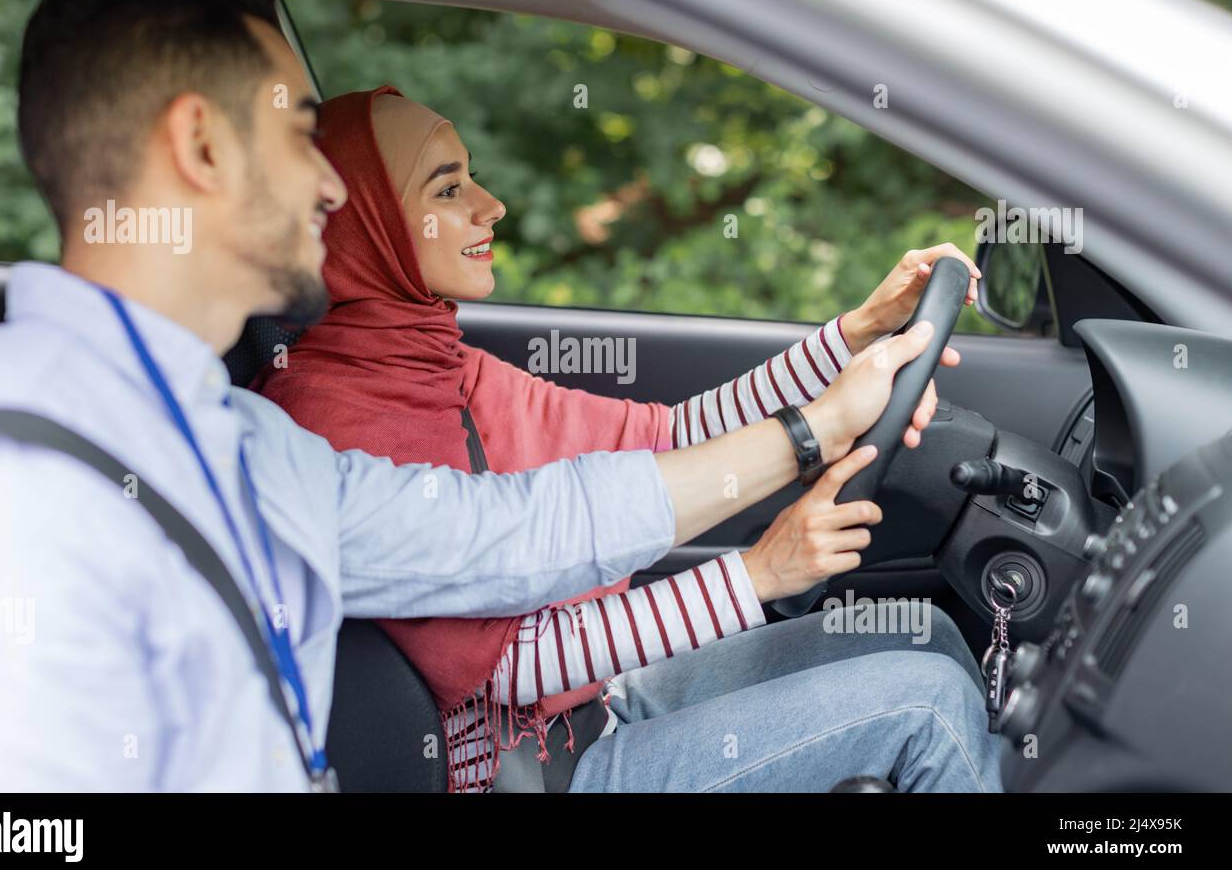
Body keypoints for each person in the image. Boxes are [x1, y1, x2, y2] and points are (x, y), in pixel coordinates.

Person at [0, 0, 953, 791]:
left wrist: (816, 421)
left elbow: (523, 530)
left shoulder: (252, 447)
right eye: (299, 135)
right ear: (200, 146)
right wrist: (767, 547)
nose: (329, 184)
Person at [253, 86, 1001, 792]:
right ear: (367, 224)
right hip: (535, 773)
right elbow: (511, 667)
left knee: (922, 633)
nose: (491, 205)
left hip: (585, 712)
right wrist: (758, 573)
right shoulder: (330, 421)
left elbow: (665, 437)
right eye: (448, 191)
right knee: (927, 704)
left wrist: (852, 334)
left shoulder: (435, 361)